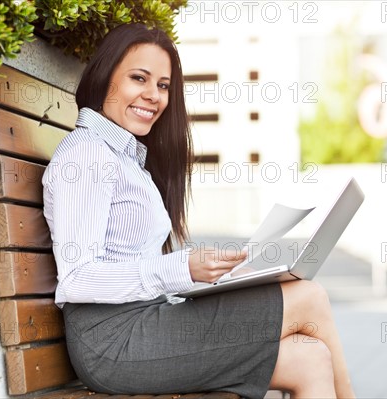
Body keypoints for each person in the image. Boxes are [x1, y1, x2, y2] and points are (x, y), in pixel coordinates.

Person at [43, 23, 355, 399]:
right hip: (113, 344)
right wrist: (180, 267)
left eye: (162, 85)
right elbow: (76, 279)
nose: (153, 96)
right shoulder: (88, 154)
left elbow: (135, 264)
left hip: (143, 325)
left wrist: (218, 275)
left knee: (310, 357)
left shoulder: (125, 159)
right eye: (138, 78)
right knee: (309, 298)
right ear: (104, 76)